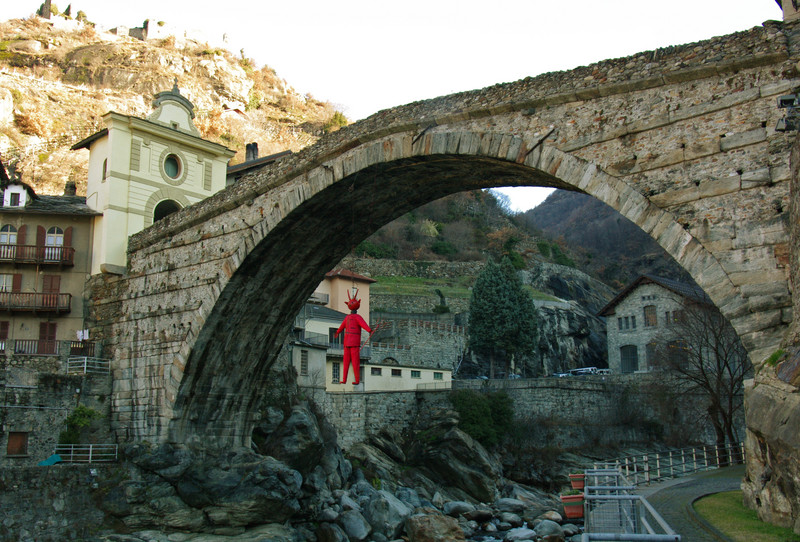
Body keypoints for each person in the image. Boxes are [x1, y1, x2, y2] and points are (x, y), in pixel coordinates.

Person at [335, 289, 372, 385]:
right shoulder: (354, 317)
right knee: (352, 362)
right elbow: (363, 325)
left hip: (350, 342)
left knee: (350, 362)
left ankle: (350, 379)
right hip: (350, 342)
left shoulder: (350, 318)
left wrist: (338, 332)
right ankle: (350, 379)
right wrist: (369, 330)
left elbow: (342, 327)